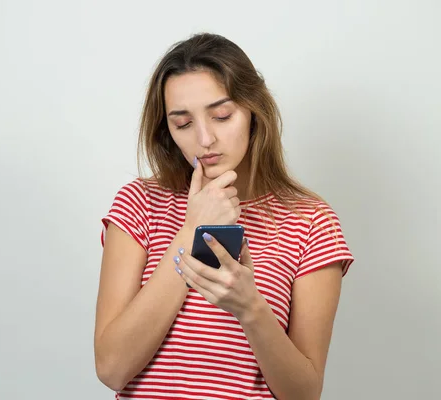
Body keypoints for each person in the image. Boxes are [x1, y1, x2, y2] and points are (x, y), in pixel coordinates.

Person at [94, 32, 354, 400]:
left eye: (221, 115)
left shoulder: (311, 222)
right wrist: (192, 228)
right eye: (183, 124)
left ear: (253, 111)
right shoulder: (140, 204)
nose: (205, 139)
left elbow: (305, 394)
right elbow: (111, 368)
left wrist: (249, 306)